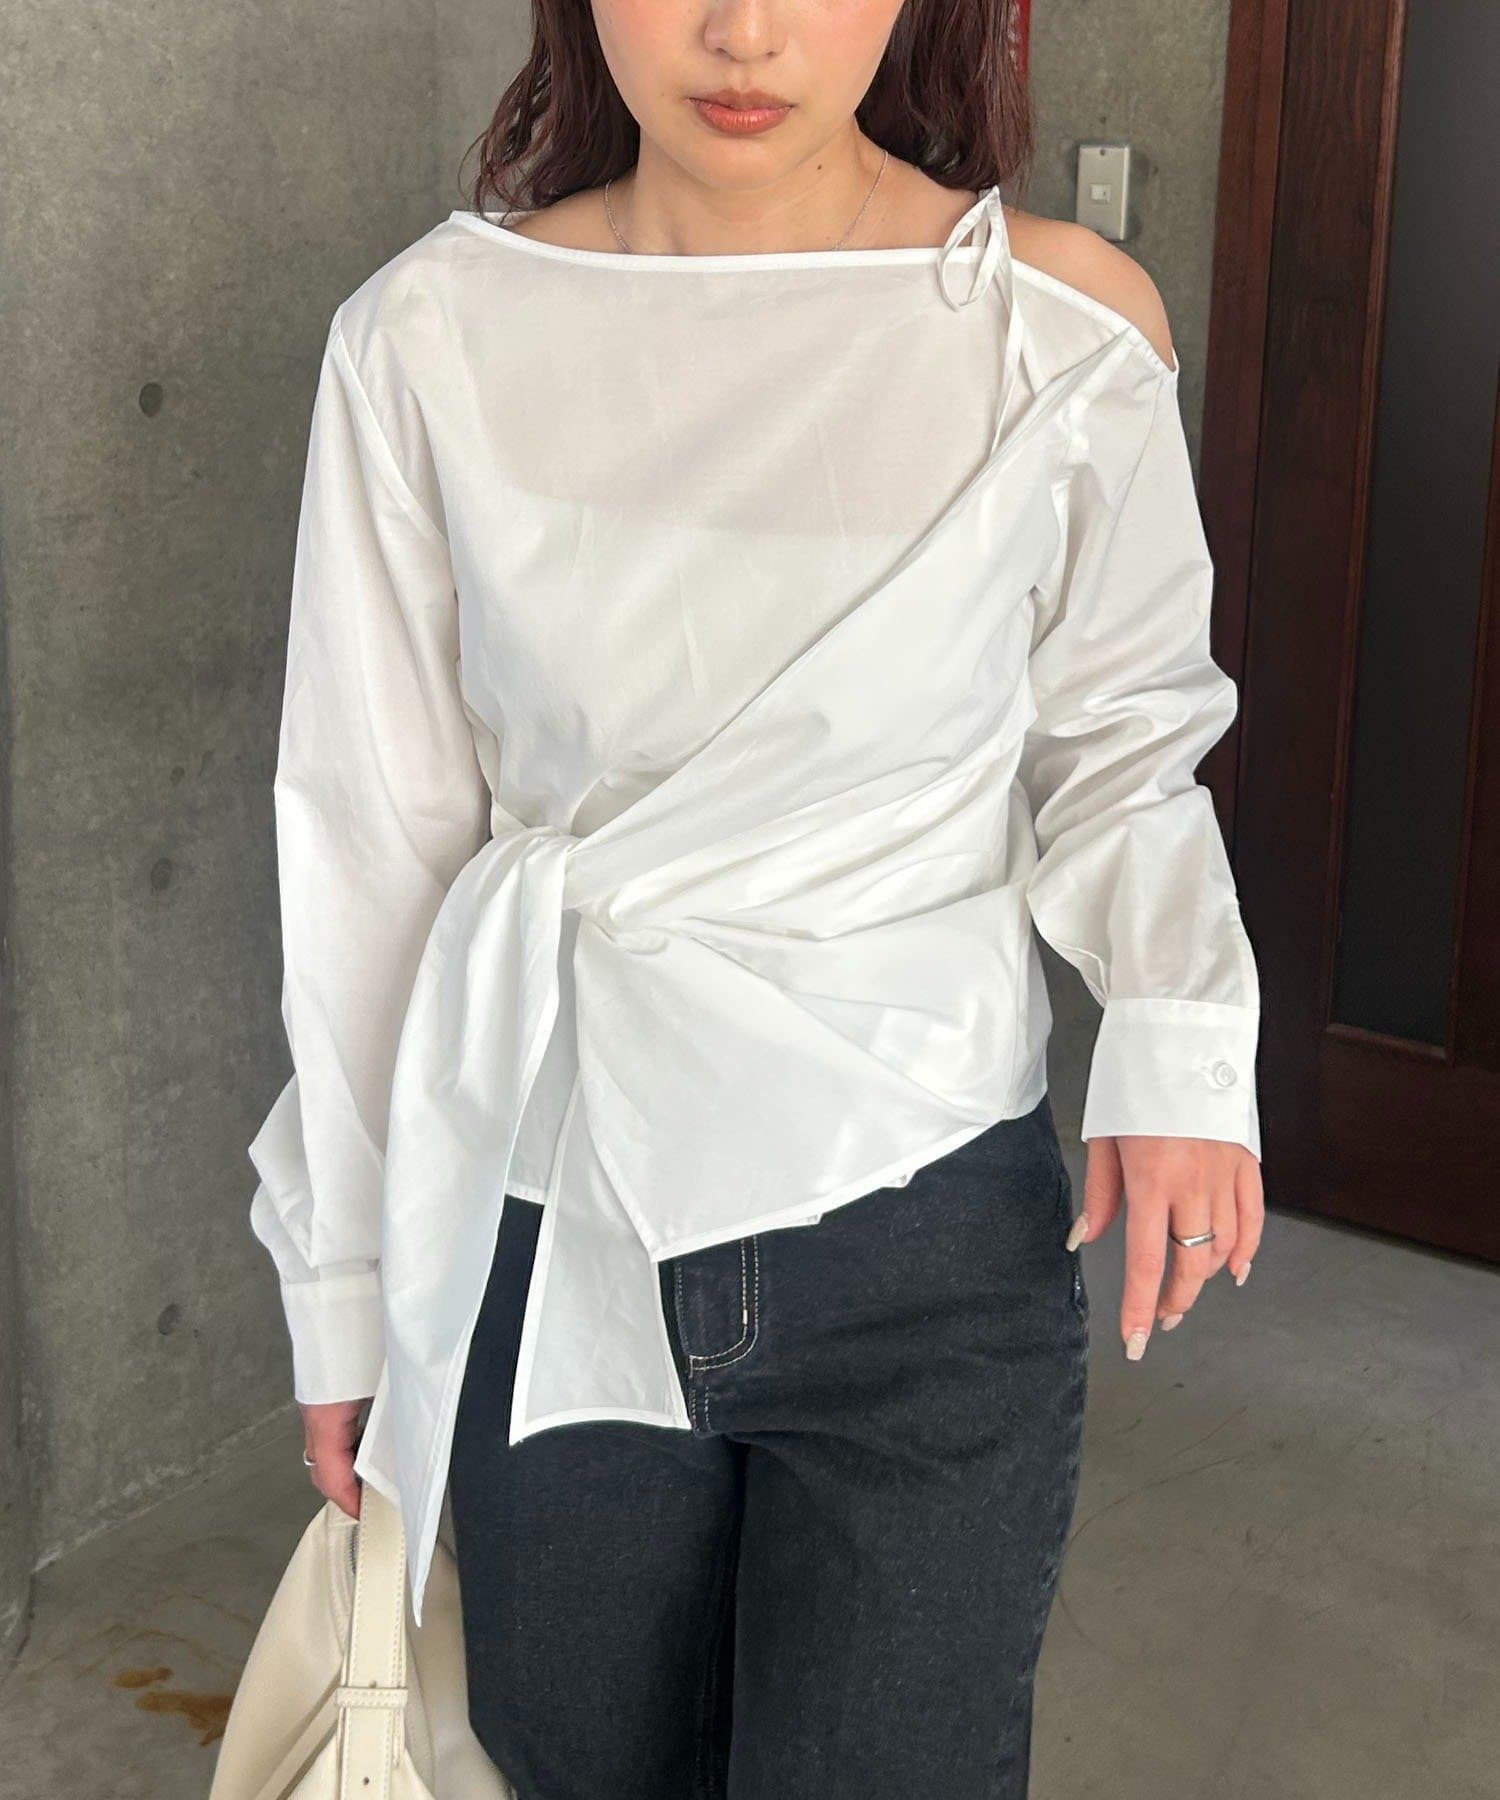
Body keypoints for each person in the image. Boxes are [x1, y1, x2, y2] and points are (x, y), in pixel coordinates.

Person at [246, 0, 1266, 1793]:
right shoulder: (427, 333)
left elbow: (1119, 739)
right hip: (546, 1204)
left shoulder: (1056, 327)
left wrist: (1179, 1038)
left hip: (921, 1214)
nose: (742, 29)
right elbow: (370, 841)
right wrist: (344, 1281)